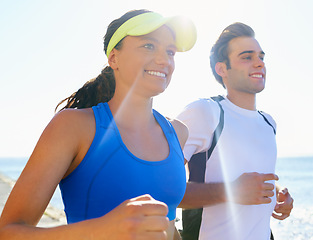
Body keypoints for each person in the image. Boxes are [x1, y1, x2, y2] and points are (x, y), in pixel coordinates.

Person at [0, 9, 196, 240]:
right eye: (149, 46)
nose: (164, 60)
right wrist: (101, 230)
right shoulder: (73, 126)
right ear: (114, 58)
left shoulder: (178, 132)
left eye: (170, 51)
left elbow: (168, 225)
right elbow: (8, 231)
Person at [176, 22, 293, 240]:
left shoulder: (269, 123)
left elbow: (248, 174)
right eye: (247, 57)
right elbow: (158, 187)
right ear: (222, 69)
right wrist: (230, 192)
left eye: (261, 57)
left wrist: (278, 197)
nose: (259, 63)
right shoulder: (206, 112)